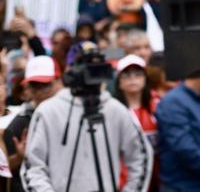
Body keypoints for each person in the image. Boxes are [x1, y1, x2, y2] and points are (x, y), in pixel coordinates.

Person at [21, 43, 153, 191]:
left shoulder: (116, 110)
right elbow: (32, 168)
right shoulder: (48, 112)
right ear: (70, 71)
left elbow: (141, 157)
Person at [3, 56, 62, 192]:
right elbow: (4, 170)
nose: (41, 92)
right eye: (35, 86)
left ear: (59, 81)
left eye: (46, 85)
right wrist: (19, 158)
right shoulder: (18, 124)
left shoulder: (73, 115)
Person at [113, 54, 160, 191]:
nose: (132, 79)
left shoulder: (157, 107)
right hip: (129, 180)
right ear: (119, 82)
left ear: (146, 79)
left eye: (138, 74)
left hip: (158, 177)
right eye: (126, 75)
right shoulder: (114, 112)